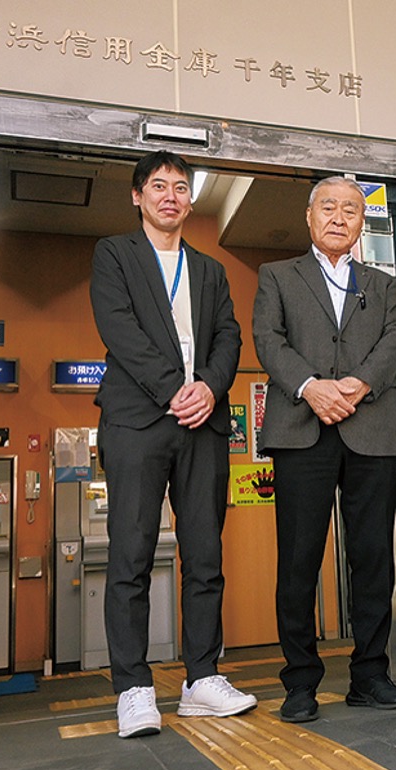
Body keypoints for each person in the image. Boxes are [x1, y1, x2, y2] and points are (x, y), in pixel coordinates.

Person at [90, 150, 255, 739]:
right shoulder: (115, 254)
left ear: (190, 200)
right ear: (138, 196)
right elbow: (119, 329)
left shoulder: (208, 269)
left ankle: (201, 679)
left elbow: (229, 336)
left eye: (180, 187)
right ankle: (133, 688)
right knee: (131, 556)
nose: (170, 196)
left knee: (204, 556)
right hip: (138, 421)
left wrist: (209, 387)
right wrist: (174, 390)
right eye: (158, 186)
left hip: (203, 423)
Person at [252, 175, 396, 723]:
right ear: (309, 216)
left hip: (372, 429)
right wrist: (311, 387)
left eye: (350, 209)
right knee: (299, 560)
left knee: (373, 558)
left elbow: (393, 340)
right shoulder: (277, 275)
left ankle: (371, 675)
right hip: (302, 427)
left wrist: (360, 384)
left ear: (362, 221)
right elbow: (268, 339)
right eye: (329, 207)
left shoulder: (384, 284)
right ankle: (300, 682)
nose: (339, 217)